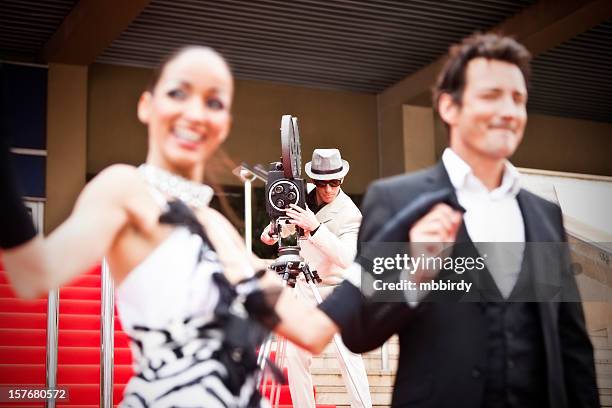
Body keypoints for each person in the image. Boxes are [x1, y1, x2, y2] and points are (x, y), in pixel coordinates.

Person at [0, 46, 305, 407]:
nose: (194, 113)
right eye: (178, 93)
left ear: (224, 125)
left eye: (214, 102)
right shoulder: (124, 187)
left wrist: (378, 252)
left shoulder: (216, 225)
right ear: (146, 105)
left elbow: (314, 330)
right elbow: (34, 274)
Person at [316, 33, 600, 407]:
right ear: (448, 107)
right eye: (491, 96)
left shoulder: (544, 215)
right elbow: (359, 334)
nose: (510, 111)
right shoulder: (397, 199)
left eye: (518, 99)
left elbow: (572, 347)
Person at [260, 148, 372, 408]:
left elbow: (348, 258)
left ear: (342, 179)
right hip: (303, 286)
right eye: (323, 182)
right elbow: (286, 223)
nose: (330, 188)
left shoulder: (351, 214)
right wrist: (272, 232)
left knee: (348, 357)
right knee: (296, 357)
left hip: (336, 290)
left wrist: (316, 228)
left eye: (335, 182)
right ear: (314, 179)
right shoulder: (300, 195)